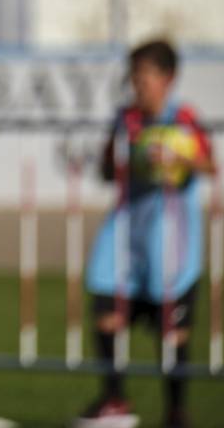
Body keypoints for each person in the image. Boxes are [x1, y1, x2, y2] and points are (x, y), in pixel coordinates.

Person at [79, 39, 216, 428]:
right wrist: (132, 158)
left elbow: (209, 166)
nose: (136, 83)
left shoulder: (184, 119)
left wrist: (181, 157)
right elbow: (106, 169)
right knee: (106, 310)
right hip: (126, 238)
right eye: (134, 75)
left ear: (167, 78)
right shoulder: (127, 120)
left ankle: (176, 412)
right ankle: (114, 399)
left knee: (172, 334)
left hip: (172, 244)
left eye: (144, 75)